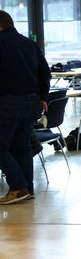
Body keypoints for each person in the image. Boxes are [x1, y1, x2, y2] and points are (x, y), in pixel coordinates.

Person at [0, 10, 51, 204]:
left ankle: (18, 187)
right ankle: (27, 188)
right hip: (33, 102)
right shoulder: (29, 44)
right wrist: (43, 97)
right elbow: (45, 72)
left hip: (8, 103)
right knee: (22, 145)